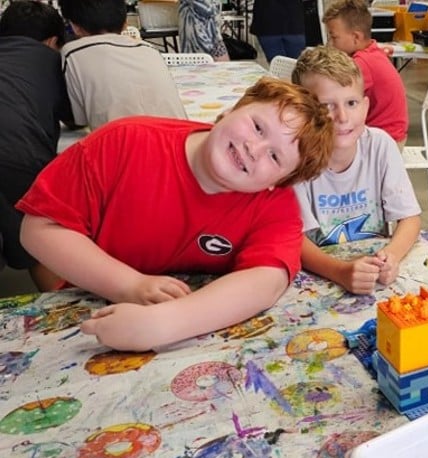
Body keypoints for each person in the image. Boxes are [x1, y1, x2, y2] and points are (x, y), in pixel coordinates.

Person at [17, 77, 334, 352]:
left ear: (275, 184)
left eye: (275, 156)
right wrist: (130, 286)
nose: (255, 147)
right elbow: (38, 229)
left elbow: (267, 280)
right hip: (87, 311)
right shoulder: (124, 142)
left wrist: (164, 323)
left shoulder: (275, 204)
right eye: (257, 126)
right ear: (229, 110)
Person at [291, 45, 421, 295]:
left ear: (365, 106)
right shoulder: (296, 158)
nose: (342, 116)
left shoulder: (380, 145)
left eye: (351, 103)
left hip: (373, 277)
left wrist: (391, 257)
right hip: (319, 280)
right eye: (327, 106)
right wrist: (341, 271)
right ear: (304, 111)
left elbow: (410, 218)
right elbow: (296, 241)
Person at [0, 0, 75, 284]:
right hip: (15, 153)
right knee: (41, 235)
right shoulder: (51, 59)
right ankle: (64, 316)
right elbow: (75, 118)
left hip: (10, 148)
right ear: (52, 41)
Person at [58, 0, 186, 130]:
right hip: (181, 140)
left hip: (126, 145)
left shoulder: (73, 53)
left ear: (75, 27)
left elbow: (79, 121)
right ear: (126, 23)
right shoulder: (150, 50)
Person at [322, 0, 408, 145]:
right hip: (387, 134)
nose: (330, 43)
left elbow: (332, 92)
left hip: (384, 142)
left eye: (334, 37)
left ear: (356, 37)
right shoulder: (372, 50)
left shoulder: (363, 63)